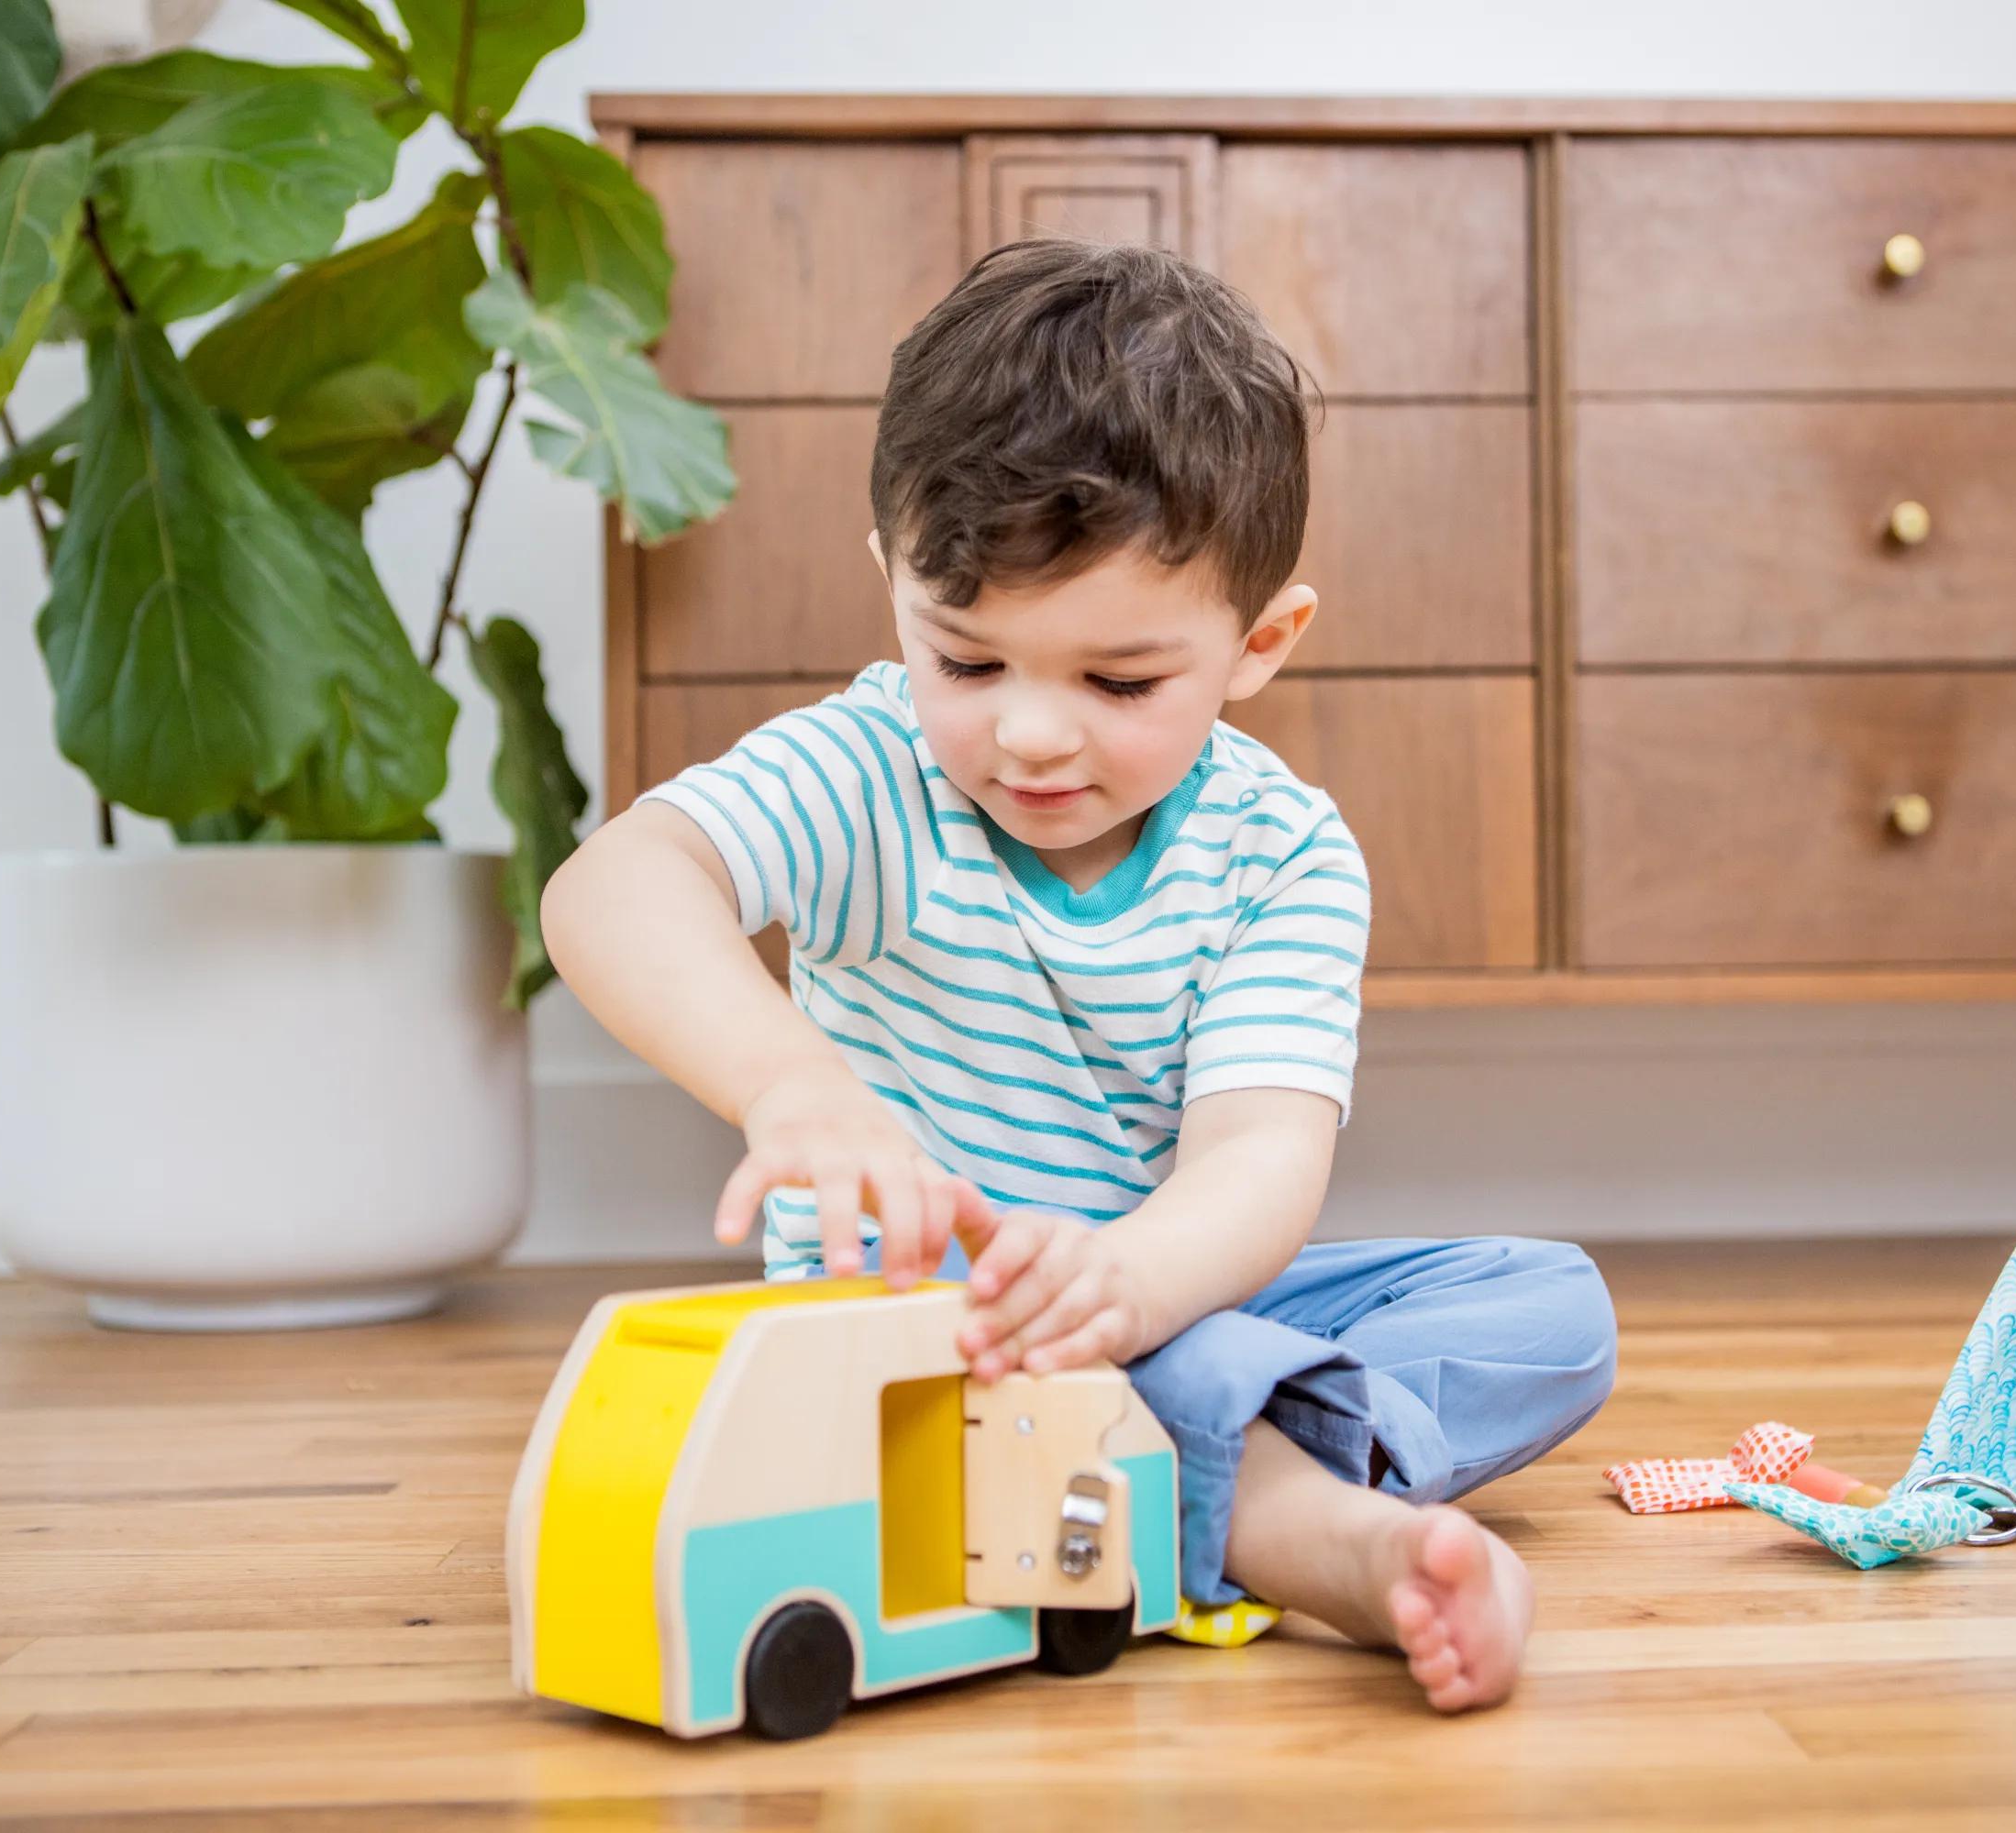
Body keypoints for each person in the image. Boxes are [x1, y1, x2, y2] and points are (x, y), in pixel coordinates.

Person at [541, 237, 1617, 1712]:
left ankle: (1195, 1454)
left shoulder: (1283, 850)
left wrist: (1131, 1284)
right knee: (1099, 1368)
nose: (1032, 737)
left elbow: (1261, 1155)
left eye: (1118, 684)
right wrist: (795, 1089)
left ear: (1261, 642)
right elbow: (614, 887)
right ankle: (1318, 1528)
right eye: (968, 662)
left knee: (1548, 1311)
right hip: (927, 1342)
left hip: (1164, 1288)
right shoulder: (866, 772)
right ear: (895, 587)